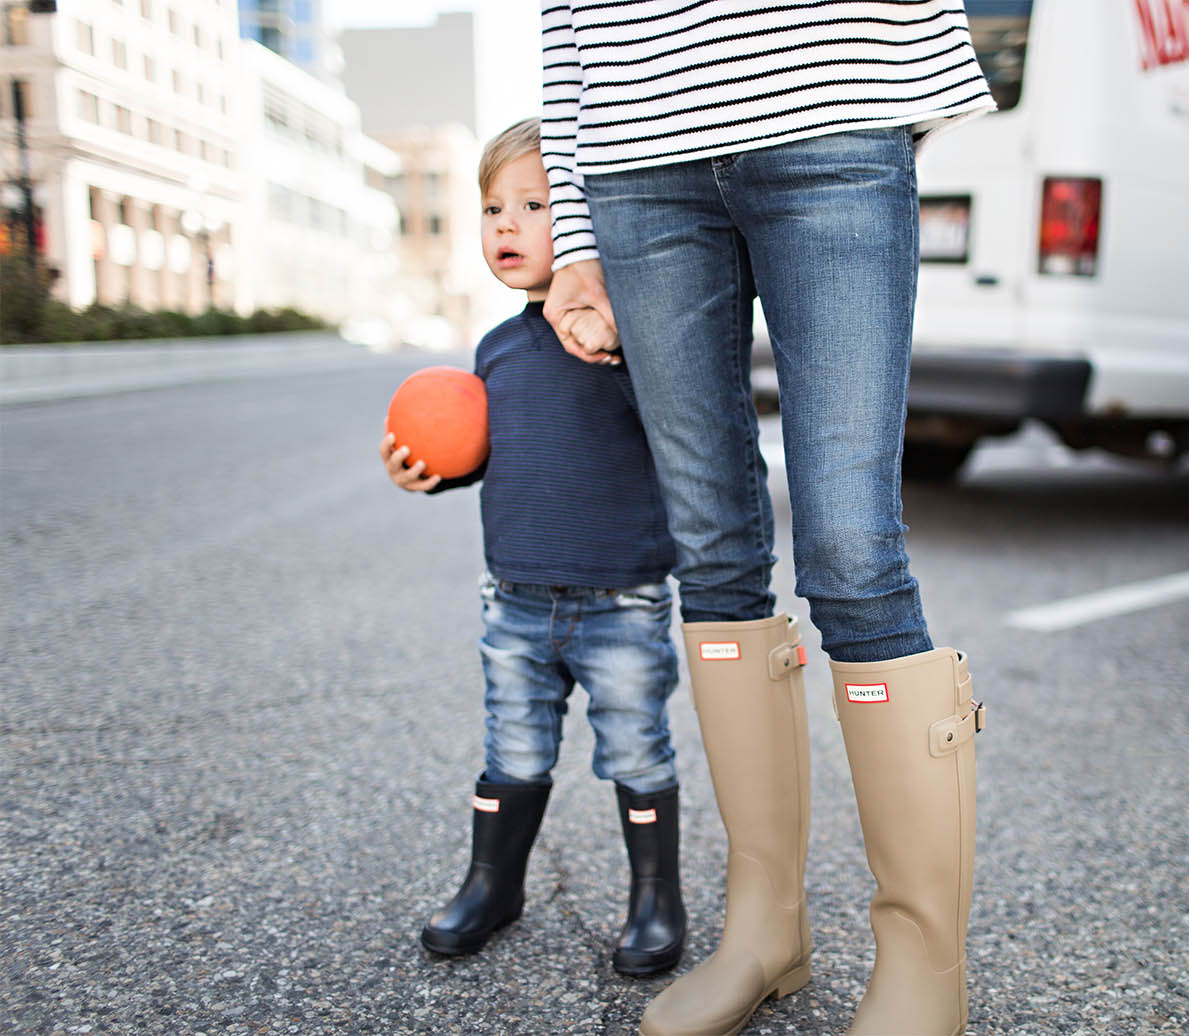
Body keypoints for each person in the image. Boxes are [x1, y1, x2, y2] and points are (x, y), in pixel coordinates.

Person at [538, 4, 994, 1034]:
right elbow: (563, 22)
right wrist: (573, 232)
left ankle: (924, 962)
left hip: (829, 104)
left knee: (851, 547)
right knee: (710, 547)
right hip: (635, 151)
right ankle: (764, 928)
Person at [380, 117, 686, 978]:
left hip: (621, 599)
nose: (506, 225)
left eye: (534, 206)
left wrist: (623, 348)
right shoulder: (496, 349)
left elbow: (685, 433)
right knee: (512, 748)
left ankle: (655, 898)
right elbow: (493, 454)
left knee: (636, 748)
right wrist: (430, 473)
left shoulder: (634, 338)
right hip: (514, 600)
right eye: (492, 209)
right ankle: (493, 883)